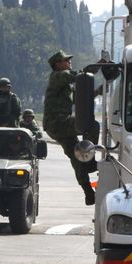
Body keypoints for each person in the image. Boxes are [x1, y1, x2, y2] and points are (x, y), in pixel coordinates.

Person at [43, 50, 100, 205]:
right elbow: (78, 75)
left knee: (77, 157)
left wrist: (97, 92)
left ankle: (88, 192)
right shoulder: (57, 76)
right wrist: (96, 66)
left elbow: (81, 98)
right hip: (58, 122)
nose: (69, 62)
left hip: (59, 125)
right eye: (66, 60)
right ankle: (90, 161)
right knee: (91, 125)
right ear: (58, 64)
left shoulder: (66, 85)